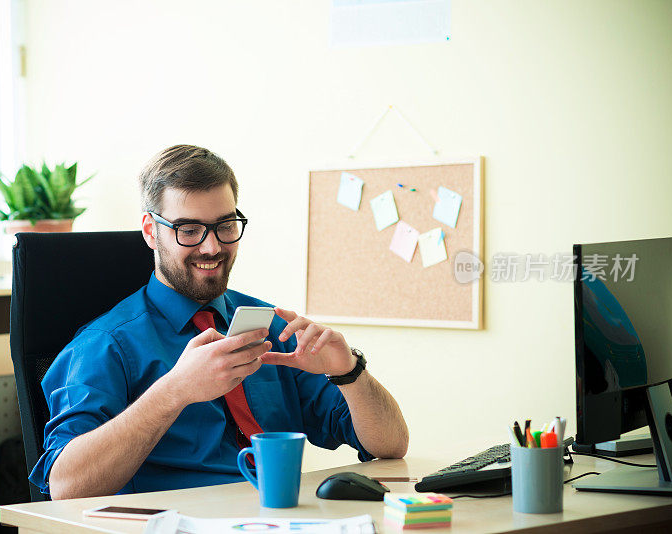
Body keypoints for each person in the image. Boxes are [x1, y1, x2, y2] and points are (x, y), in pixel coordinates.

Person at [30, 145, 408, 499]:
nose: (211, 247)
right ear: (150, 231)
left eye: (225, 225)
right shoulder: (106, 345)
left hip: (280, 518)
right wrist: (175, 390)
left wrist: (349, 372)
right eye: (189, 230)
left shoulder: (271, 327)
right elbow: (66, 485)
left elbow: (390, 444)